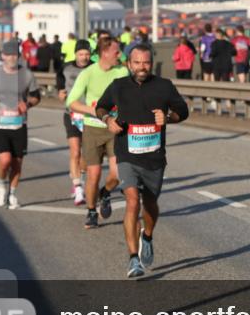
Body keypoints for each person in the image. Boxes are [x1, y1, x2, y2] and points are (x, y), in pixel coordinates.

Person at [95, 44, 189, 278]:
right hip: (127, 154)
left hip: (154, 158)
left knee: (150, 204)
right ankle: (133, 260)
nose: (141, 67)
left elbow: (183, 111)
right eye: (137, 62)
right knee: (132, 201)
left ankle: (147, 236)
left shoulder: (164, 86)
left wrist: (168, 117)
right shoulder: (119, 86)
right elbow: (101, 107)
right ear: (129, 63)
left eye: (146, 62)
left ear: (151, 63)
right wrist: (108, 119)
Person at [66, 33, 129, 229]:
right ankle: (91, 210)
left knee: (117, 175)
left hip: (114, 128)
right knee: (93, 174)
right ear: (104, 52)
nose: (120, 54)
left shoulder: (122, 72)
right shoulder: (88, 73)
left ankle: (105, 193)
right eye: (116, 51)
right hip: (93, 128)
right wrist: (92, 110)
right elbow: (72, 102)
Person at [0, 40, 41, 209]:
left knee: (17, 163)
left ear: (18, 56)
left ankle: (12, 194)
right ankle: (1, 185)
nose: (12, 57)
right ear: (3, 56)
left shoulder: (27, 75)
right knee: (5, 159)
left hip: (19, 124)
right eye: (8, 55)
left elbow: (37, 96)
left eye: (15, 54)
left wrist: (28, 104)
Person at [57, 39, 93, 205]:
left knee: (86, 154)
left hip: (89, 115)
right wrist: (60, 92)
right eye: (81, 54)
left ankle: (81, 177)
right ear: (76, 54)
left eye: (86, 54)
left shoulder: (95, 68)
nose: (84, 57)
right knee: (75, 151)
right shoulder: (66, 67)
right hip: (71, 114)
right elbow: (60, 83)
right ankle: (78, 188)